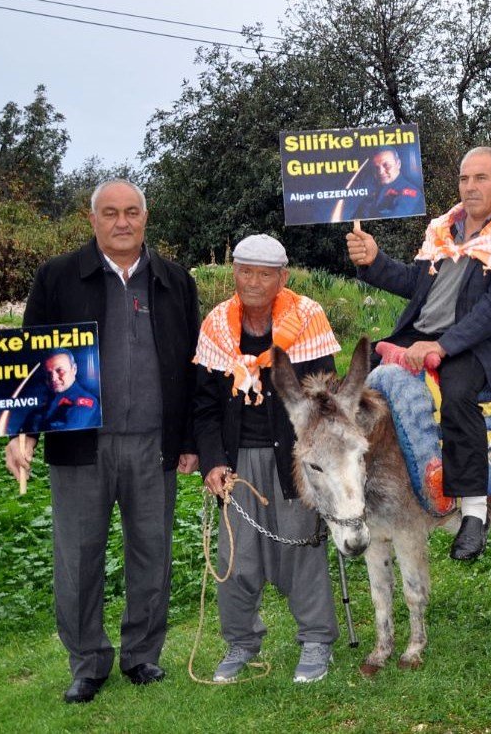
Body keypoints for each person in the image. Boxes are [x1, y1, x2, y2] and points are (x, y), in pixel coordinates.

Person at [3, 179, 200, 704]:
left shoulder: (174, 281)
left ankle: (141, 656)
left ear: (145, 217)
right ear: (92, 220)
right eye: (110, 213)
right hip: (79, 445)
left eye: (131, 212)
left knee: (152, 555)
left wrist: (190, 440)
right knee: (78, 557)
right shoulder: (58, 278)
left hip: (154, 443)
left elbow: (193, 367)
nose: (122, 222)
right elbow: (30, 366)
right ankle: (88, 663)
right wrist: (22, 430)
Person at [345, 146, 491, 561]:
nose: (469, 187)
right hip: (423, 335)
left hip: (482, 344)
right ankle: (361, 491)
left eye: (480, 178)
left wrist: (442, 346)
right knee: (362, 390)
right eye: (464, 179)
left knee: (456, 393)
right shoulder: (444, 229)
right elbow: (417, 284)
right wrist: (374, 259)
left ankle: (474, 512)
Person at [192, 234, 342, 683]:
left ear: (283, 277)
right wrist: (213, 462)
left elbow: (325, 399)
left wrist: (322, 461)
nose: (253, 282)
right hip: (238, 459)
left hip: (294, 457)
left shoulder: (308, 318)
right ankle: (240, 642)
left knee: (301, 547)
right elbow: (204, 407)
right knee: (235, 557)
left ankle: (316, 641)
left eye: (264, 273)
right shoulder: (216, 326)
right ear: (232, 272)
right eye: (245, 271)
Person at [20, 351, 101, 435]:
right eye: (48, 373)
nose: (53, 378)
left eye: (60, 370)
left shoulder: (85, 401)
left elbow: (64, 434)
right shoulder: (45, 401)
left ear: (74, 369)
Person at [354, 147, 424, 220]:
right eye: (376, 168)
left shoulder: (409, 192)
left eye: (386, 165)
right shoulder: (373, 193)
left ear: (398, 164)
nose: (380, 172)